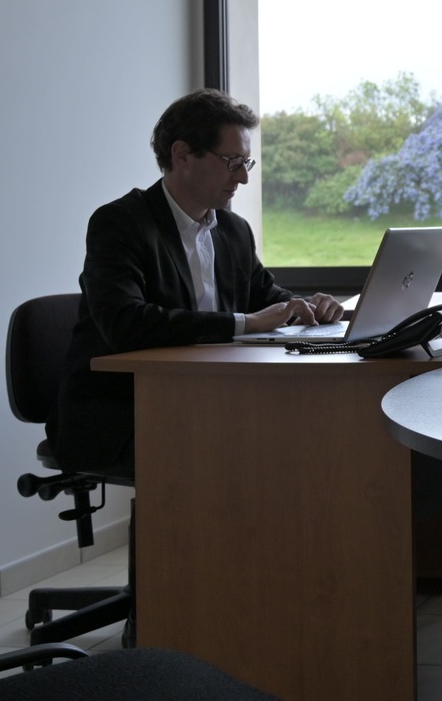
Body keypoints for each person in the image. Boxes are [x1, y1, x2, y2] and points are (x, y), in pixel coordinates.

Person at [52, 89, 344, 473]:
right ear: (182, 154)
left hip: (210, 397)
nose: (242, 176)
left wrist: (305, 307)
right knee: (257, 448)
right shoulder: (119, 224)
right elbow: (126, 323)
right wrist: (246, 323)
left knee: (308, 432)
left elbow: (264, 296)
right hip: (121, 411)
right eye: (232, 162)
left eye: (246, 163)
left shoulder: (234, 230)